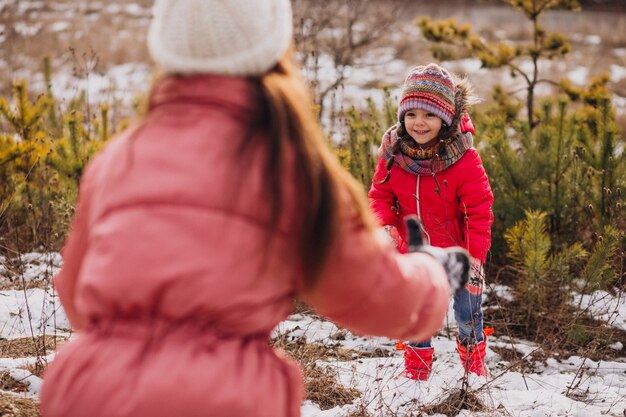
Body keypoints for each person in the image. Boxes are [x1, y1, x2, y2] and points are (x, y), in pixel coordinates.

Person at [39, 2, 470, 416]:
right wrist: (432, 275)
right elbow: (370, 296)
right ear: (272, 43)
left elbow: (77, 297)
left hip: (90, 395)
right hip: (224, 399)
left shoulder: (116, 158)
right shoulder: (292, 164)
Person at [368, 63, 494, 380]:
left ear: (446, 118)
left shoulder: (464, 158)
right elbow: (380, 196)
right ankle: (416, 373)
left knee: (468, 313)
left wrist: (475, 259)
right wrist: (385, 226)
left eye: (429, 115)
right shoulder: (393, 152)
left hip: (460, 255)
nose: (419, 123)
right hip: (416, 252)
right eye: (411, 114)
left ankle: (475, 371)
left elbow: (479, 211)